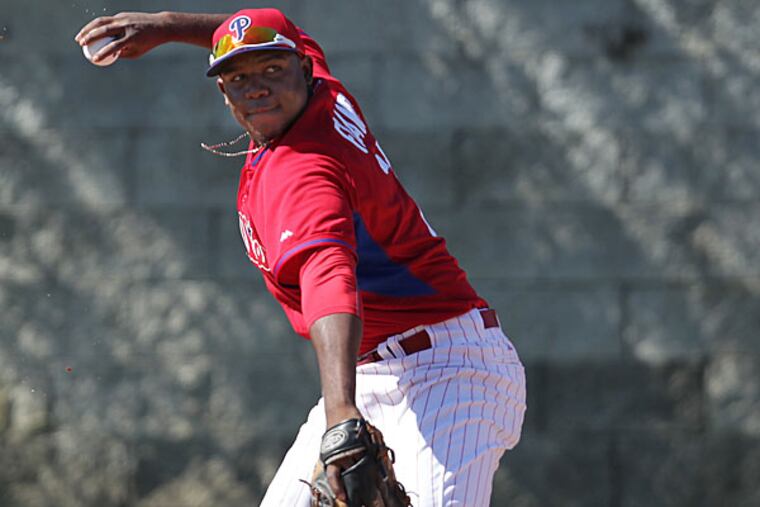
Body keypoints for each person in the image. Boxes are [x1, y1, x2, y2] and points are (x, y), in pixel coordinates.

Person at [76, 8, 527, 506]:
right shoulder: (324, 93)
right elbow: (274, 35)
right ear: (223, 92)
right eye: (238, 77)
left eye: (273, 70)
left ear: (302, 70)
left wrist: (340, 417)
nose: (258, 87)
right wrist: (167, 26)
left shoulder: (305, 171)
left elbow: (329, 276)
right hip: (373, 374)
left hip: (448, 375)